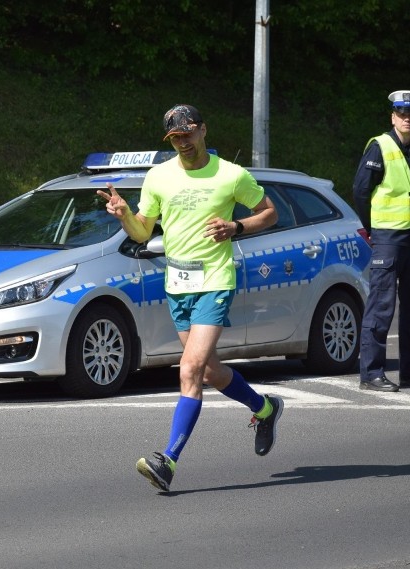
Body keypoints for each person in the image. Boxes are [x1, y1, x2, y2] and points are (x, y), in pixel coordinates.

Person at [97, 104, 282, 492]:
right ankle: (264, 409)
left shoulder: (231, 175)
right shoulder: (159, 177)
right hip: (177, 284)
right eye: (175, 137)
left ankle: (169, 461)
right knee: (210, 371)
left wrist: (236, 225)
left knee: (189, 369)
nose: (182, 142)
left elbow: (269, 213)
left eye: (188, 133)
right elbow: (143, 233)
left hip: (216, 279)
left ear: (203, 131)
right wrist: (124, 215)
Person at [352, 90, 410, 392]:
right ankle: (371, 373)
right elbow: (361, 191)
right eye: (401, 114)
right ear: (393, 117)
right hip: (388, 237)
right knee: (381, 307)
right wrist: (371, 230)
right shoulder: (380, 147)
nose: (407, 119)